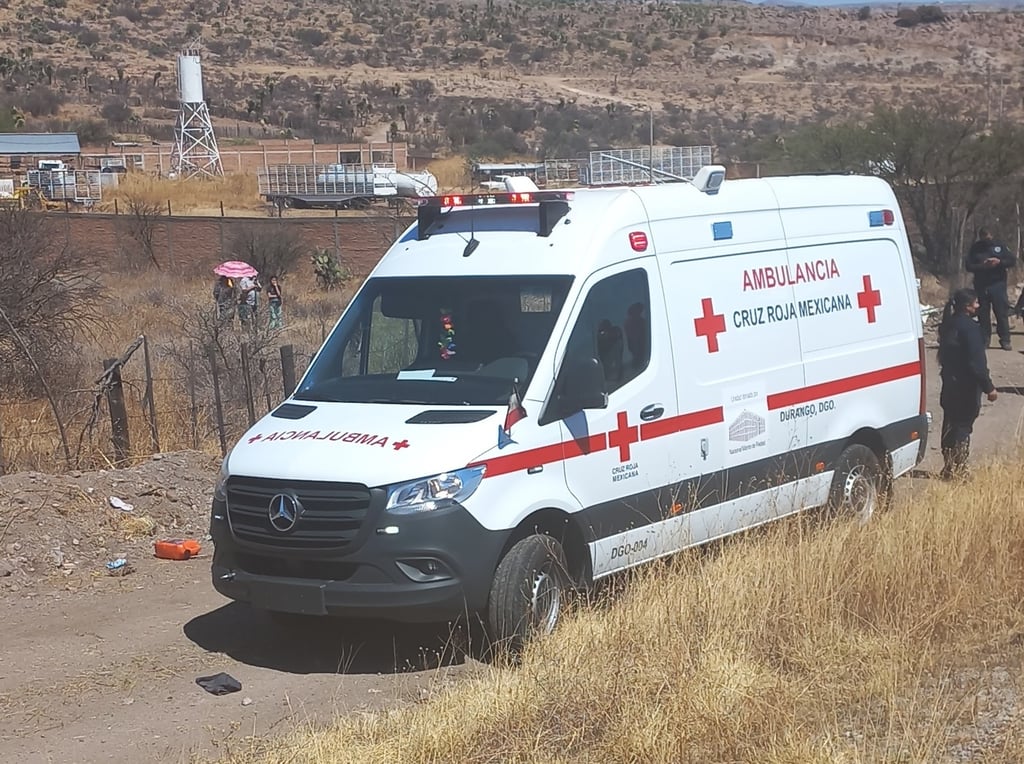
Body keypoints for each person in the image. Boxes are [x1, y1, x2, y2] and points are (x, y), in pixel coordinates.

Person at [937, 288, 998, 480]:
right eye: (976, 303)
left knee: (950, 424)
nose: (978, 306)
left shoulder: (948, 324)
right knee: (963, 427)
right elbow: (976, 363)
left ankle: (948, 467)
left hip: (949, 383)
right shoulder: (971, 329)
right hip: (967, 386)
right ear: (968, 307)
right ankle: (959, 469)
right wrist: (989, 387)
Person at [964, 226, 1016, 350]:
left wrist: (999, 262)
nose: (987, 240)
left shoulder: (999, 246)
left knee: (1001, 312)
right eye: (984, 237)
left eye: (988, 237)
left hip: (997, 284)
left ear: (992, 235)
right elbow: (969, 266)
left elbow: (1012, 260)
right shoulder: (976, 248)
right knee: (983, 313)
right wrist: (983, 266)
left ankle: (1005, 339)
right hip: (981, 284)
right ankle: (985, 339)